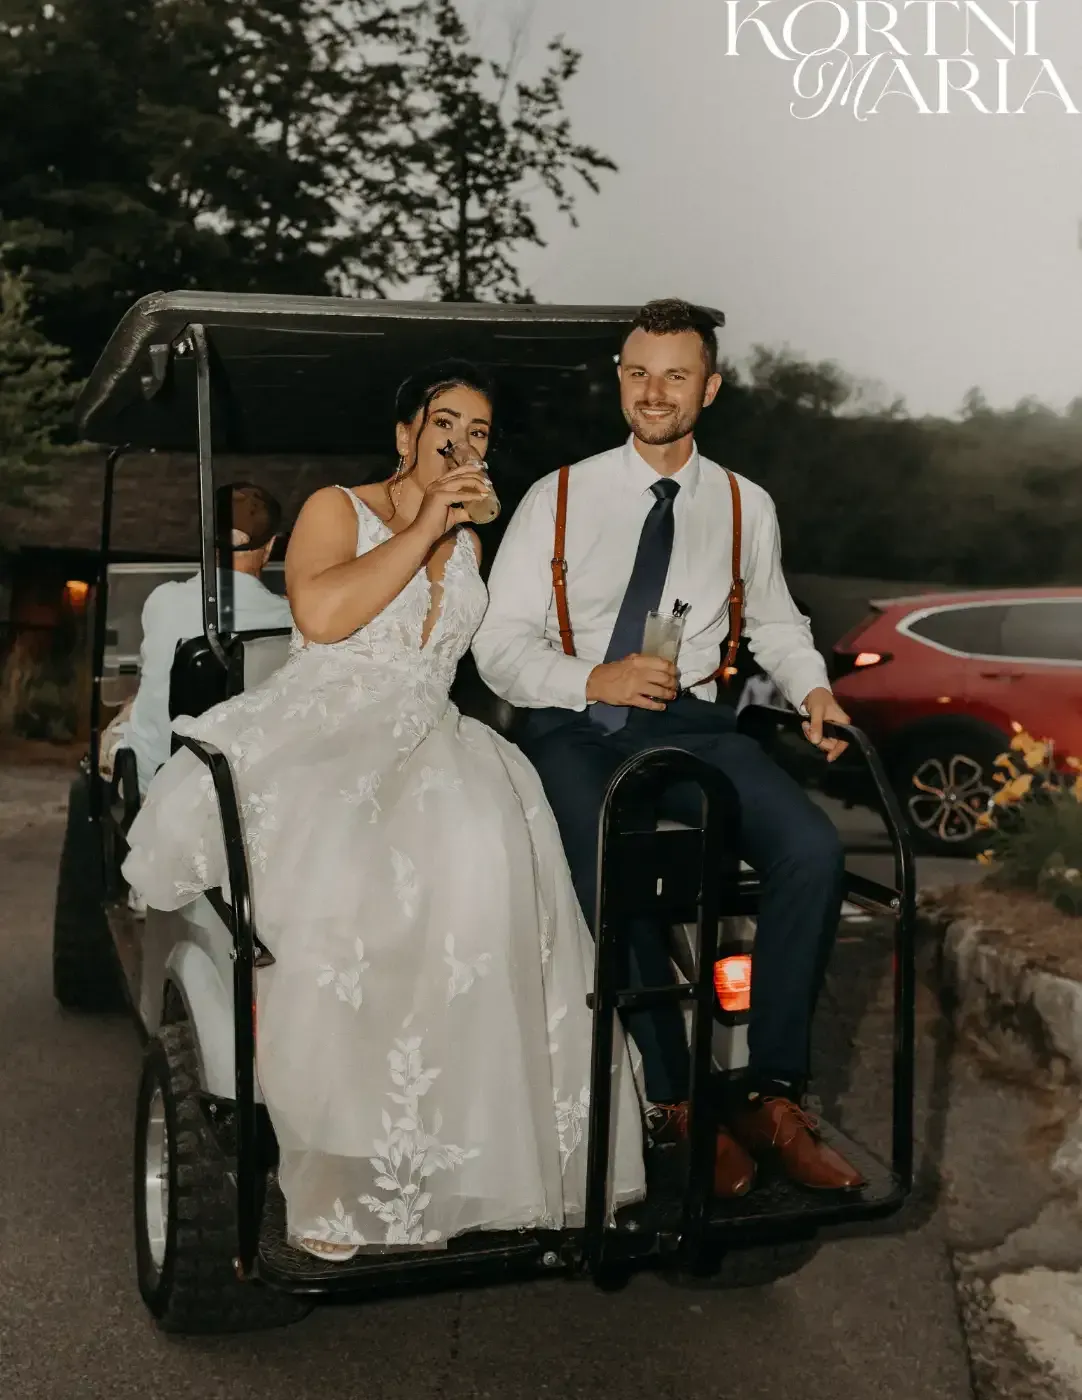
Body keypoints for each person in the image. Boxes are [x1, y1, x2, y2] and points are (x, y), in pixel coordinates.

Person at [121, 361, 645, 1261]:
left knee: (491, 871)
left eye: (480, 432)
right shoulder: (339, 506)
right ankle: (339, 1160)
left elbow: (495, 657)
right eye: (447, 423)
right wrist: (427, 523)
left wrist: (593, 672)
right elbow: (322, 616)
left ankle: (465, 1159)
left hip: (435, 736)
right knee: (345, 886)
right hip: (324, 731)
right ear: (405, 434)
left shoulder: (477, 543)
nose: (463, 443)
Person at [472, 298, 864, 1198]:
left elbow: (773, 620)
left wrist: (814, 691)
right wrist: (590, 679)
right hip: (574, 726)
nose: (653, 392)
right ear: (620, 378)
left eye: (675, 375)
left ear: (710, 387)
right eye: (638, 373)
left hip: (693, 726)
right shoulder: (557, 497)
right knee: (617, 863)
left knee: (812, 851)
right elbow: (498, 644)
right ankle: (676, 1099)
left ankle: (772, 1094)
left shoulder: (742, 504)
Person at [119, 482, 292, 795]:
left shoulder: (162, 600)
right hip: (244, 782)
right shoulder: (288, 620)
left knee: (123, 719)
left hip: (158, 781)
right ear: (270, 547)